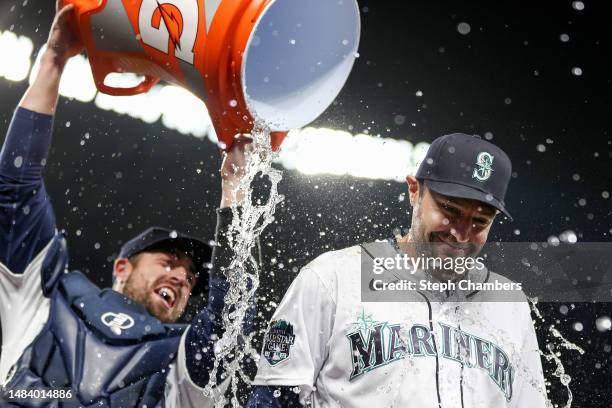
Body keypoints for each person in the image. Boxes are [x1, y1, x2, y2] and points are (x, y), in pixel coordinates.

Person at [0, 2, 252, 406]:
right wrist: (53, 59)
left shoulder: (182, 361)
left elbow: (233, 306)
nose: (182, 279)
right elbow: (15, 186)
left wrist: (235, 188)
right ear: (122, 266)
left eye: (189, 280)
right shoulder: (46, 297)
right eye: (169, 262)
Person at [248, 133, 549, 407]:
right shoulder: (333, 277)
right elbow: (272, 399)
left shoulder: (510, 304)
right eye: (450, 211)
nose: (461, 233)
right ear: (415, 191)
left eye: (480, 221)